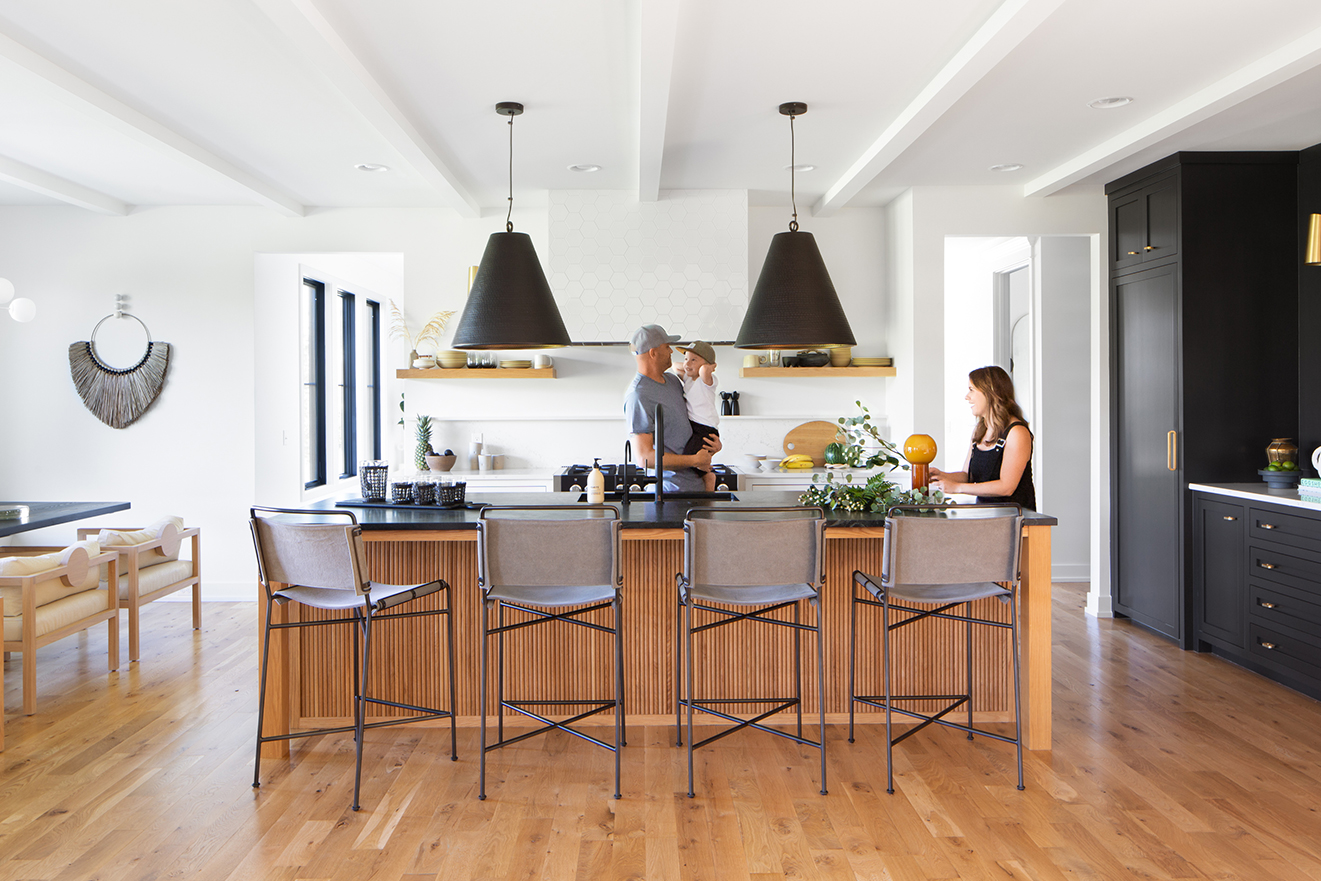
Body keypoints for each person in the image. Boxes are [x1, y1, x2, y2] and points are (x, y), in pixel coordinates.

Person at [624, 324, 721, 492]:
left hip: (696, 489)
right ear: (653, 353)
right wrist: (694, 461)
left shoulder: (673, 381)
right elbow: (644, 457)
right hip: (668, 495)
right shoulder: (638, 395)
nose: (671, 352)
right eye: (667, 347)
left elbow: (692, 424)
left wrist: (714, 444)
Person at [929, 365, 1036, 510]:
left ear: (990, 392)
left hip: (1015, 521)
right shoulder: (980, 430)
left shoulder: (1017, 432)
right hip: (986, 518)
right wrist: (941, 476)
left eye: (971, 390)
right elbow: (968, 475)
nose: (967, 396)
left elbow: (1006, 487)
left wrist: (958, 488)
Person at [673, 340, 720, 491]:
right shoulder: (688, 378)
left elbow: (705, 370)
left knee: (694, 462)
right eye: (686, 358)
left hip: (705, 428)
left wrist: (710, 366)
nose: (687, 363)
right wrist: (689, 364)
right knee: (692, 458)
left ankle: (709, 479)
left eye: (694, 359)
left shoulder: (706, 382)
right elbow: (675, 365)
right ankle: (706, 475)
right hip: (695, 426)